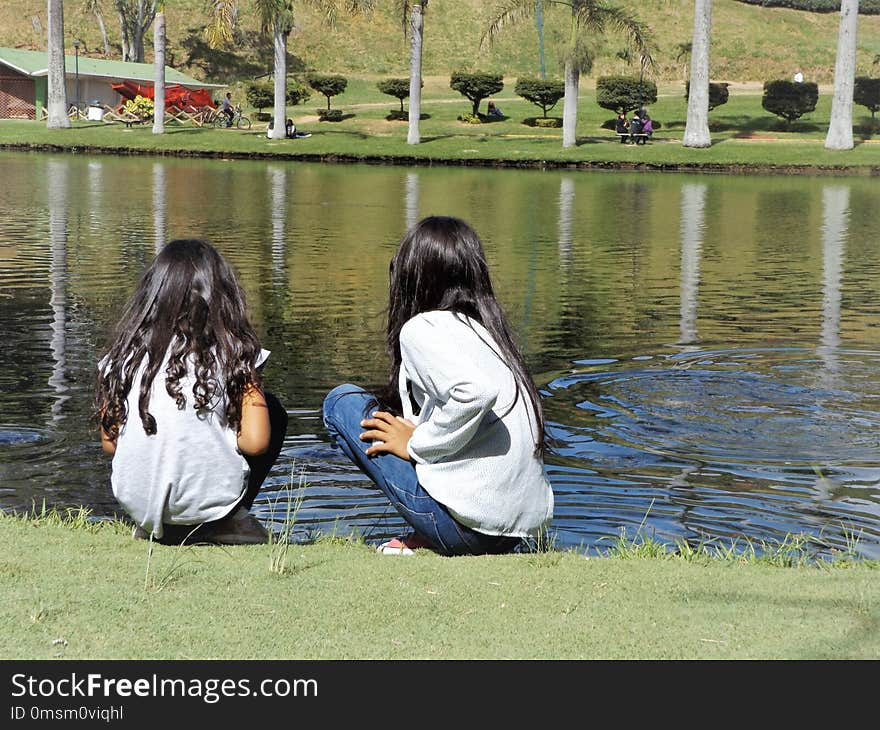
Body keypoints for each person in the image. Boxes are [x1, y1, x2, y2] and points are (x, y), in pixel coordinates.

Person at [322, 216, 554, 556]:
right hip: (517, 530)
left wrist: (417, 444)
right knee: (400, 423)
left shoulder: (421, 328)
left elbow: (475, 392)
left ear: (410, 278)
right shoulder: (490, 334)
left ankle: (435, 530)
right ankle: (430, 534)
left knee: (341, 403)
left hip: (465, 531)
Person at [96, 239, 288, 545]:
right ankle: (228, 522)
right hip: (209, 507)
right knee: (272, 411)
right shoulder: (232, 354)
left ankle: (156, 522)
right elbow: (256, 442)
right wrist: (249, 382)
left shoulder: (122, 359)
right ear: (222, 297)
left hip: (140, 507)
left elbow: (110, 443)